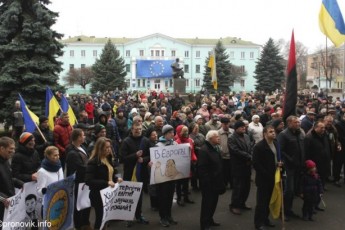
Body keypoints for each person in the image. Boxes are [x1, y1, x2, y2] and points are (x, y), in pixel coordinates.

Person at [85, 138, 123, 230]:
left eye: (110, 147)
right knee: (100, 218)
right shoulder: (93, 162)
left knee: (106, 218)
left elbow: (111, 173)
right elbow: (88, 181)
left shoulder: (108, 158)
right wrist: (106, 183)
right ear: (100, 148)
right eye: (106, 147)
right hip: (98, 195)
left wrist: (116, 178)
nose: (109, 149)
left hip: (108, 193)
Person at [121, 122, 150, 227]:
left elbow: (150, 155)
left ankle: (139, 215)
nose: (138, 130)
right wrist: (135, 156)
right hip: (129, 173)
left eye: (140, 129)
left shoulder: (146, 141)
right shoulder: (126, 142)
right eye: (136, 129)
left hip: (141, 173)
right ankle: (128, 217)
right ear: (132, 130)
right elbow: (122, 158)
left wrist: (144, 159)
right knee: (129, 196)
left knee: (140, 195)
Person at [253, 125, 281, 230]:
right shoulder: (259, 147)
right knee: (261, 202)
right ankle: (258, 223)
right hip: (264, 179)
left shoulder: (276, 143)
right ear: (265, 134)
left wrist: (279, 164)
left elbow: (277, 157)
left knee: (269, 200)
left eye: (274, 131)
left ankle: (265, 219)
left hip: (274, 176)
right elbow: (256, 164)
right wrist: (266, 174)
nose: (273, 133)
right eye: (270, 132)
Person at [278, 115, 305, 220]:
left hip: (299, 166)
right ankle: (282, 211)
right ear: (289, 123)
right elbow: (280, 150)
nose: (298, 124)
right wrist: (289, 159)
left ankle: (288, 210)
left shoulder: (300, 133)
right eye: (296, 122)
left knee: (293, 191)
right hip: (288, 167)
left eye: (299, 122)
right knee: (288, 190)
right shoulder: (283, 135)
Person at [152, 124, 178, 227]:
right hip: (162, 176)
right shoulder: (158, 146)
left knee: (170, 196)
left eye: (173, 132)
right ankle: (162, 217)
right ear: (166, 134)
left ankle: (169, 216)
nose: (173, 134)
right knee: (163, 197)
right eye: (171, 132)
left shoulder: (175, 143)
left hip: (172, 176)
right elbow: (155, 160)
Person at [66, 129, 91, 230]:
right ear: (78, 138)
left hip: (85, 181)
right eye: (83, 135)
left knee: (86, 203)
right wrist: (93, 169)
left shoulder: (82, 147)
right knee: (79, 205)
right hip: (79, 183)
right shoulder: (72, 152)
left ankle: (85, 223)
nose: (84, 137)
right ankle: (79, 225)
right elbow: (80, 168)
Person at [198, 130, 224, 230]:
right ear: (210, 138)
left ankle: (210, 219)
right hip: (209, 184)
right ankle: (204, 224)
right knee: (207, 204)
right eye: (216, 136)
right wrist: (207, 182)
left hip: (216, 182)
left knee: (213, 203)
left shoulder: (215, 148)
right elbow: (202, 169)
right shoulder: (204, 150)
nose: (218, 137)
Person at [229, 120, 253, 215]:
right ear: (236, 128)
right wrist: (249, 156)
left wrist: (250, 155)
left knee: (246, 186)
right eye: (241, 127)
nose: (243, 128)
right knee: (238, 187)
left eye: (244, 127)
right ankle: (234, 205)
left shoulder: (246, 136)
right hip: (238, 166)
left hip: (247, 165)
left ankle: (242, 202)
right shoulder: (232, 138)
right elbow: (235, 151)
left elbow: (250, 147)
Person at [0, 137, 24, 224]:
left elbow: (8, 178)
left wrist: (21, 183)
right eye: (11, 149)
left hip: (8, 204)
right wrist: (2, 198)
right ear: (2, 148)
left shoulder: (6, 160)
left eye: (14, 149)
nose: (13, 151)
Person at [174, 125, 197, 206]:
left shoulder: (190, 140)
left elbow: (193, 152)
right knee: (179, 182)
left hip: (188, 163)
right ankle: (179, 198)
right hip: (179, 165)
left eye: (187, 131)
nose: (186, 133)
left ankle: (186, 197)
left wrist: (194, 159)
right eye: (184, 131)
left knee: (186, 182)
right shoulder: (176, 142)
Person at [304, 121, 330, 190]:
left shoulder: (324, 135)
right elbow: (306, 152)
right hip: (315, 162)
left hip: (324, 161)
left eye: (324, 128)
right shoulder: (309, 137)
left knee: (323, 175)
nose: (323, 129)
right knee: (314, 177)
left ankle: (321, 186)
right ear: (315, 128)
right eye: (321, 128)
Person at [218, 117, 234, 189]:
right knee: (224, 171)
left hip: (232, 155)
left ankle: (232, 184)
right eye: (224, 124)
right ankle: (224, 184)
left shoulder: (233, 131)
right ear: (222, 124)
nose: (226, 125)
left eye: (227, 124)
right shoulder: (218, 133)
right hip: (223, 156)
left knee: (232, 171)